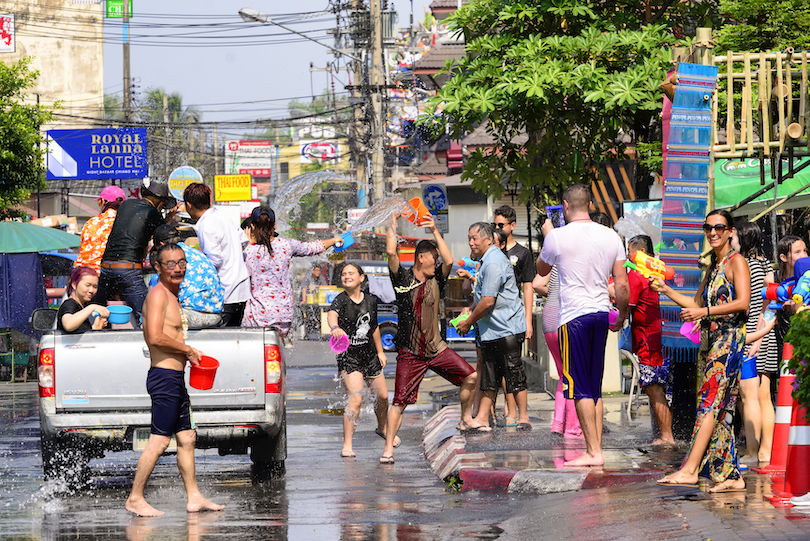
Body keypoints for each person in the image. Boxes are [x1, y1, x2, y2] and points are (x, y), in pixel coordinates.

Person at [125, 243, 224, 517]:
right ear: (158, 267)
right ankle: (135, 497)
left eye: (181, 263)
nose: (177, 268)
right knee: (158, 441)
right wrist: (188, 350)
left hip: (175, 379)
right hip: (164, 378)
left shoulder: (173, 295)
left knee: (187, 438)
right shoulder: (157, 295)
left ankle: (194, 497)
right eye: (170, 264)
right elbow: (154, 336)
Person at [654, 209, 750, 493]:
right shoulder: (713, 267)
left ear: (731, 231)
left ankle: (691, 469)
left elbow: (742, 303)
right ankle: (730, 476)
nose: (713, 233)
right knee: (719, 410)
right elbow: (694, 304)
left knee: (709, 404)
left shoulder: (737, 263)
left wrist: (705, 313)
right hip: (712, 344)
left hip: (729, 343)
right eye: (708, 228)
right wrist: (665, 289)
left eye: (719, 227)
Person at [536, 183, 629, 467]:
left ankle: (593, 452)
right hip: (601, 314)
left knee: (578, 387)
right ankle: (596, 447)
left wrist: (547, 236)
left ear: (565, 206)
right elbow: (622, 284)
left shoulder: (557, 237)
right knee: (595, 386)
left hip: (572, 318)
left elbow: (541, 271)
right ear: (590, 204)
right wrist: (622, 315)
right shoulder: (611, 235)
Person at [382, 212, 484, 464]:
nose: (437, 260)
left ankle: (464, 419)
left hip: (437, 349)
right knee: (399, 402)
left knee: (470, 377)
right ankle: (388, 449)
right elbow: (392, 254)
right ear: (421, 258)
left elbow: (449, 259)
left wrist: (435, 231)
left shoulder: (436, 278)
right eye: (433, 257)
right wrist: (391, 227)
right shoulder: (403, 279)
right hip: (410, 352)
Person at [456, 222, 531, 431]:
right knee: (490, 376)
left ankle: (523, 417)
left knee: (514, 373)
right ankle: (481, 418)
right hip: (492, 329)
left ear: (489, 239)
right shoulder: (485, 261)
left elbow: (488, 301)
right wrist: (470, 310)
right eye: (469, 238)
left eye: (474, 238)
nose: (471, 243)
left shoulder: (493, 262)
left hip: (507, 327)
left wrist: (469, 322)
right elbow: (481, 296)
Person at [327, 263, 398, 458]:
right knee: (356, 398)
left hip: (370, 356)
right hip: (349, 358)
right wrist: (335, 328)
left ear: (361, 278)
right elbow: (332, 315)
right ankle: (347, 444)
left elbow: (374, 327)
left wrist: (381, 352)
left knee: (383, 397)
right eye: (343, 274)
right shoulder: (340, 300)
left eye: (351, 273)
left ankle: (382, 427)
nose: (346, 276)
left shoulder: (371, 301)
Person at [241, 206, 342, 334]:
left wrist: (247, 243)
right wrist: (333, 240)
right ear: (275, 226)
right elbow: (313, 247)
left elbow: (239, 274)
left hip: (257, 318)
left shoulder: (248, 252)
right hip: (284, 317)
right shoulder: (286, 245)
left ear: (252, 227)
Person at [95, 179, 178, 319]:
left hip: (105, 267)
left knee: (97, 313)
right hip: (128, 270)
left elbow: (135, 228)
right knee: (148, 316)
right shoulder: (153, 213)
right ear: (161, 202)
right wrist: (166, 221)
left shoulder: (126, 204)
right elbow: (159, 235)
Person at [733, 222, 777, 466]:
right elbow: (771, 300)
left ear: (744, 239)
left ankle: (752, 451)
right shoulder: (766, 263)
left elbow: (755, 304)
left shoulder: (746, 265)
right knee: (764, 395)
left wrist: (757, 336)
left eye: (735, 237)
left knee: (749, 395)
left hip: (752, 333)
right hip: (767, 333)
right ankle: (765, 451)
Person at [626, 235, 674, 445]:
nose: (628, 255)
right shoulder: (659, 273)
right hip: (663, 339)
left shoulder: (637, 274)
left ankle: (666, 436)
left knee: (654, 388)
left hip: (649, 340)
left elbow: (627, 302)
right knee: (660, 388)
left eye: (630, 251)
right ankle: (664, 434)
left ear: (641, 252)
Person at [183, 183, 250, 327]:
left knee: (221, 340)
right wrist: (233, 256)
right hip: (241, 287)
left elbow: (215, 259)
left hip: (225, 292)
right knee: (233, 337)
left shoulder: (204, 224)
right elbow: (244, 240)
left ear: (189, 205)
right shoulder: (221, 216)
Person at [493, 206, 536, 424]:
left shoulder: (523, 253)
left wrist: (528, 321)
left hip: (513, 318)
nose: (498, 228)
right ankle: (509, 410)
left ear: (512, 226)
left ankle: (522, 414)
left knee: (514, 365)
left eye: (501, 225)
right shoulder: (492, 251)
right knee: (500, 367)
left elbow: (528, 287)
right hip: (493, 319)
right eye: (495, 224)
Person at [534, 266, 582, 438]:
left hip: (549, 318)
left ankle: (557, 423)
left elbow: (536, 284)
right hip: (565, 318)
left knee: (564, 375)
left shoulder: (555, 260)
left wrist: (553, 294)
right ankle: (572, 427)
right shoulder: (576, 257)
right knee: (573, 376)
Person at [151, 224, 225, 329]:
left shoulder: (170, 258)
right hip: (215, 315)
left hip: (189, 315)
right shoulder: (196, 253)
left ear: (161, 244)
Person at [74, 185, 126, 272]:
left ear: (102, 202)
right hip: (109, 274)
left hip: (83, 274)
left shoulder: (90, 223)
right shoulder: (125, 224)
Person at [58, 267, 110, 332]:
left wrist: (95, 328)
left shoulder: (82, 306)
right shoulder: (69, 304)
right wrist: (92, 307)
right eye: (87, 285)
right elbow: (68, 325)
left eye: (95, 287)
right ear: (74, 284)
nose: (91, 290)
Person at [299, 263, 329, 337]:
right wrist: (303, 300)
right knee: (307, 313)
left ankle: (320, 329)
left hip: (317, 300)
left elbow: (325, 287)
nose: (318, 272)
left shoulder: (320, 277)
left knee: (320, 312)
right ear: (312, 271)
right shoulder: (307, 277)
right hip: (307, 298)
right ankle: (306, 331)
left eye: (319, 270)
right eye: (317, 270)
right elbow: (304, 289)